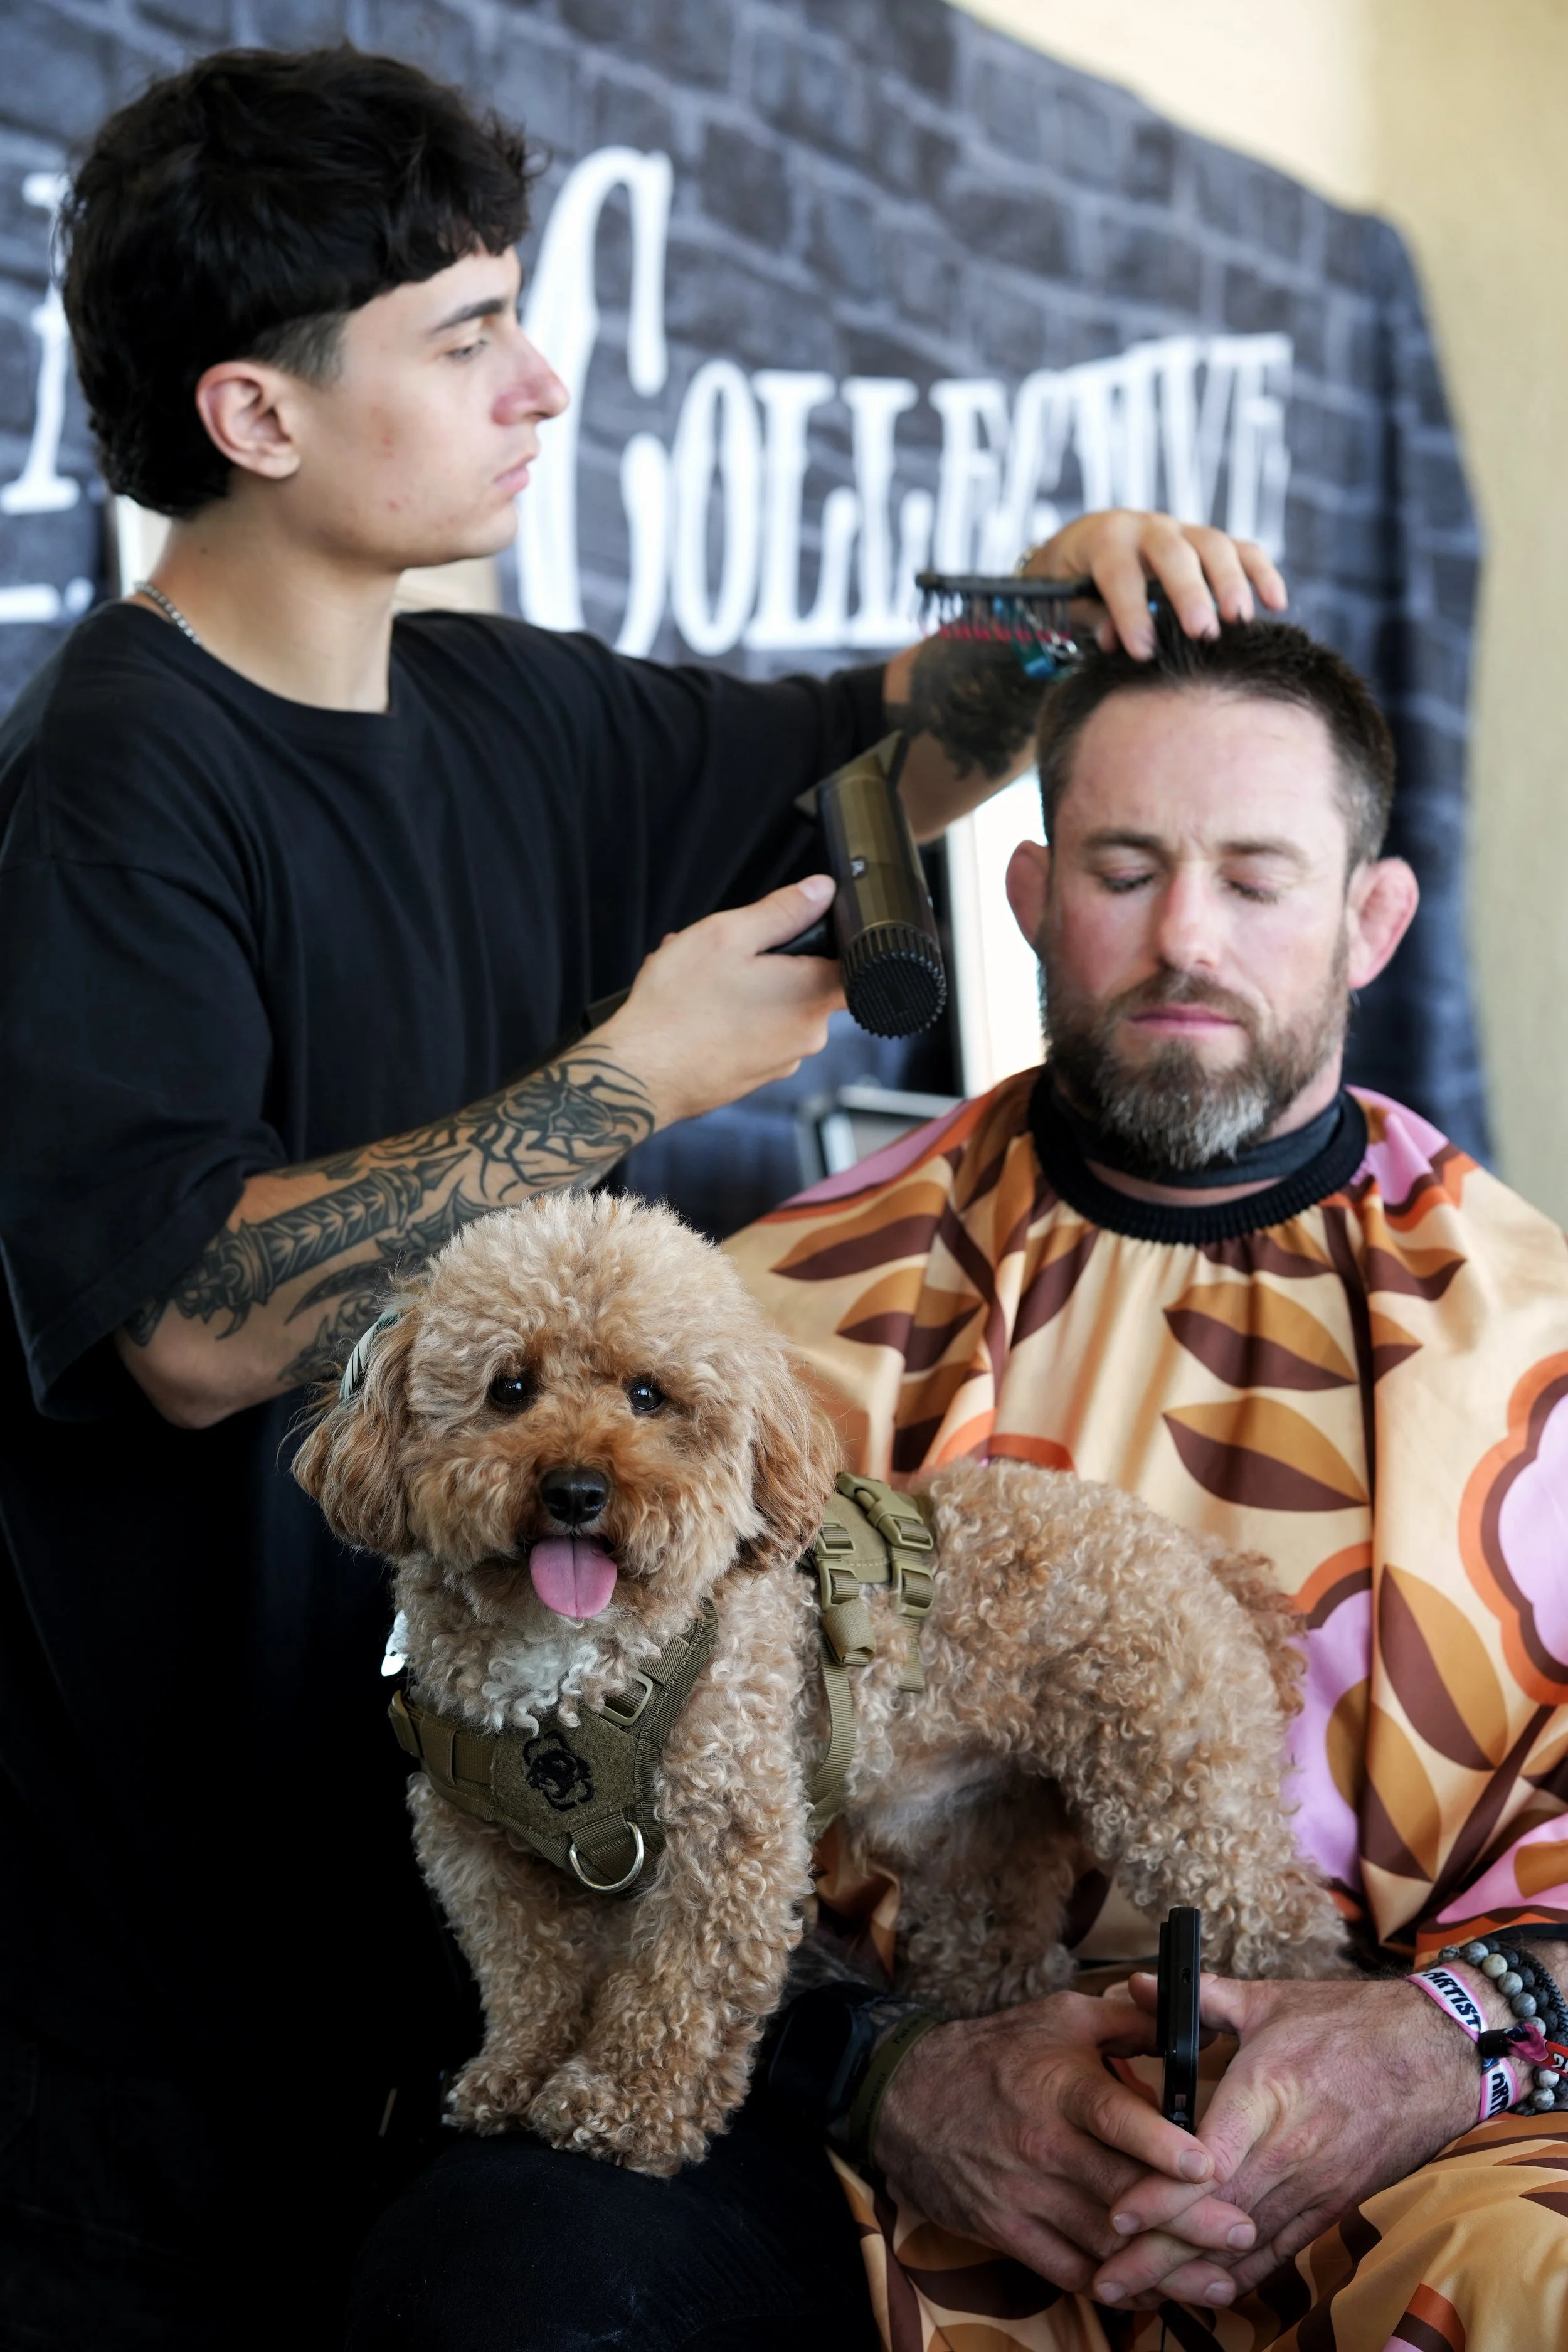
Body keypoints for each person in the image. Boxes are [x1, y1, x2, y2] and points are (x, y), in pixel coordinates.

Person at [0, 43, 1281, 2352]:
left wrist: (1059, 607)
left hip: (499, 1956)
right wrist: (616, 1078)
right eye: (465, 335)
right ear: (259, 415)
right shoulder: (107, 789)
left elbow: (885, 735)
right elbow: (184, 1319)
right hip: (161, 2043)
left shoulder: (510, 709)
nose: (543, 378)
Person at [715, 612, 1568, 2349]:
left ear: (1370, 918)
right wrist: (883, 2072)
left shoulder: (1539, 1349)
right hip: (882, 2139)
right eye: (1125, 867)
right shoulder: (760, 1327)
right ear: (1027, 896)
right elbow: (552, 1807)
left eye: (1256, 879)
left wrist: (1437, 2041)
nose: (1184, 937)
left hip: (1446, 2133)